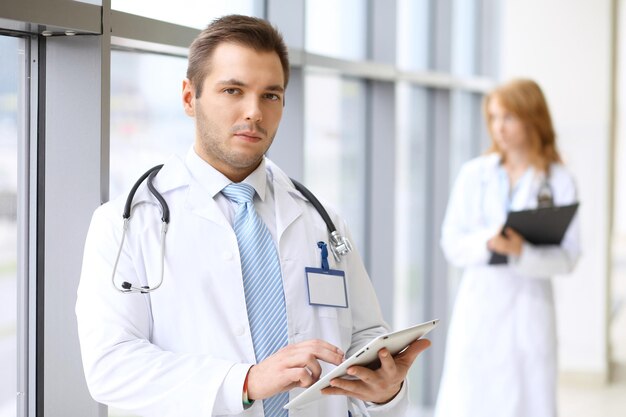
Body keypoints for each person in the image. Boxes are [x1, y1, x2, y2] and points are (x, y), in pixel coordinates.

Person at [75, 14, 430, 417]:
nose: (254, 112)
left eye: (270, 95)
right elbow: (111, 366)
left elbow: (364, 336)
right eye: (233, 90)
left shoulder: (320, 218)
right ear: (190, 97)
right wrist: (245, 381)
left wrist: (383, 391)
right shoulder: (127, 223)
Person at [433, 78, 580, 417]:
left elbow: (568, 257)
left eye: (509, 117)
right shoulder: (474, 174)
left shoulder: (558, 179)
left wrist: (521, 252)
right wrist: (488, 241)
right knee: (471, 399)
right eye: (494, 118)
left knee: (528, 400)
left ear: (533, 118)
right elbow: (451, 243)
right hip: (480, 303)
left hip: (530, 307)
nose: (499, 127)